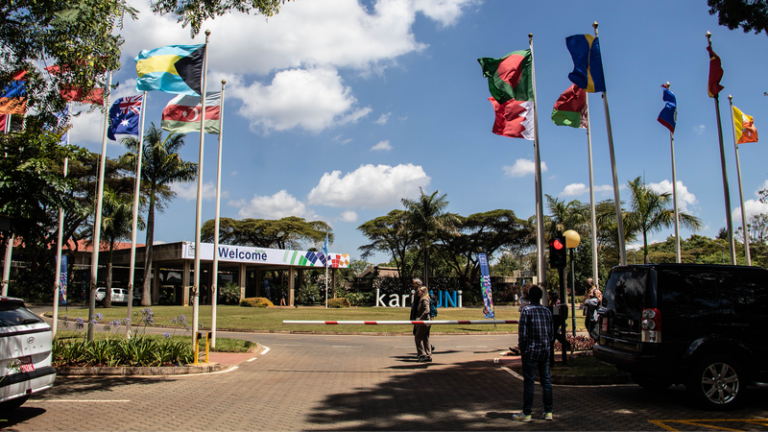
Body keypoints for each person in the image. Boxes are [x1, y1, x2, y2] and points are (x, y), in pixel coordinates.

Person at [513, 285, 554, 422]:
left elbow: (522, 334)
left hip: (531, 351)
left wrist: (523, 349)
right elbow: (551, 333)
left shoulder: (526, 311)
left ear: (529, 297)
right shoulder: (547, 312)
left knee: (529, 382)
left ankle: (527, 412)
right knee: (546, 382)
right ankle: (548, 411)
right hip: (545, 351)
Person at [409, 279, 432, 362]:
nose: (418, 293)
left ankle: (422, 354)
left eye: (419, 291)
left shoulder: (425, 299)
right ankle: (428, 355)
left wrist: (420, 319)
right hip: (425, 321)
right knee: (425, 338)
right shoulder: (421, 299)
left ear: (423, 292)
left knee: (418, 338)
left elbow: (427, 310)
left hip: (424, 322)